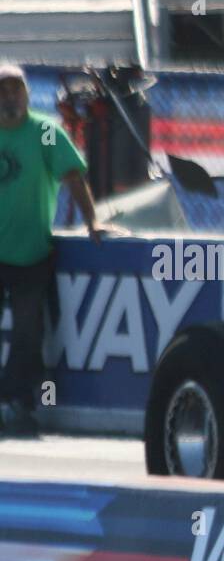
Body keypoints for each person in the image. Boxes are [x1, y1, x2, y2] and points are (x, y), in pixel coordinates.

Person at [0, 63, 102, 437]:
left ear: (27, 94)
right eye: (2, 89)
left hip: (30, 253)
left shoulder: (44, 133)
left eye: (16, 89)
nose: (9, 96)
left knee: (29, 332)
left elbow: (72, 176)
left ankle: (14, 402)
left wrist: (92, 221)